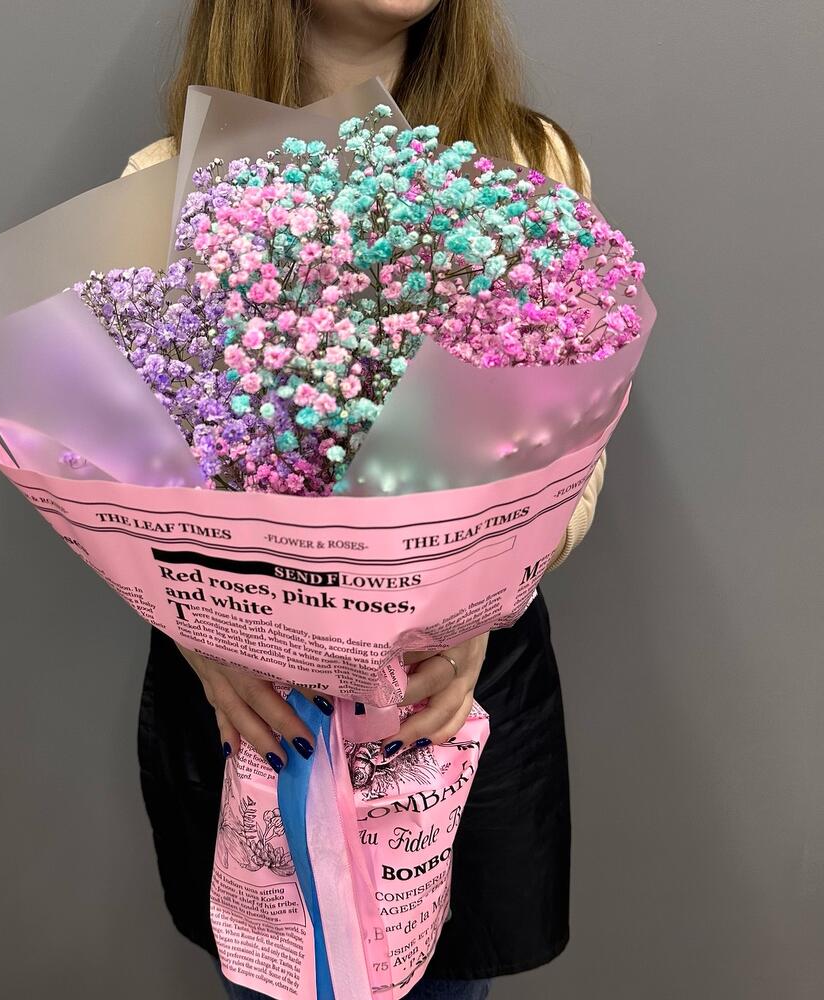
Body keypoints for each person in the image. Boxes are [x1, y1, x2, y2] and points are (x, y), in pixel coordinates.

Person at [123, 2, 605, 997]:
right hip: (257, 705)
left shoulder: (524, 159)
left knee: (440, 978)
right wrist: (205, 631)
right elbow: (132, 477)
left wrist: (480, 600)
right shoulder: (167, 178)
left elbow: (578, 451)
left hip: (445, 690)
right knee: (277, 969)